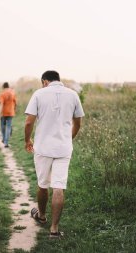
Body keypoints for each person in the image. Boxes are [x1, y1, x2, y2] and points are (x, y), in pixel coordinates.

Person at [24, 70, 84, 239]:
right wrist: (68, 138)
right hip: (63, 148)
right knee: (59, 186)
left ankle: (42, 216)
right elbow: (77, 122)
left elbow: (29, 122)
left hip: (43, 148)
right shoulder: (73, 95)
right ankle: (54, 230)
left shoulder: (39, 94)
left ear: (44, 81)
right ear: (59, 80)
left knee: (43, 184)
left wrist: (27, 140)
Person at [0, 82, 17, 148]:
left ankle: (3, 138)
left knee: (3, 126)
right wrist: (14, 110)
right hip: (11, 112)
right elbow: (15, 102)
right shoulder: (13, 93)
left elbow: (1, 104)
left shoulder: (2, 94)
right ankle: (6, 142)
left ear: (3, 87)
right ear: (8, 86)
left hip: (3, 113)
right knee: (8, 127)